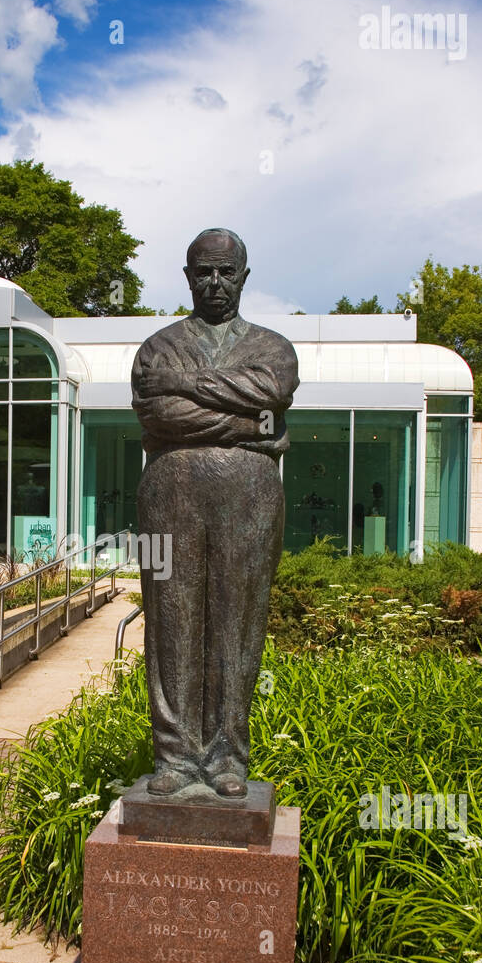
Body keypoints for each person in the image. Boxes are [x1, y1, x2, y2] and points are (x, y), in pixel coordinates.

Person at [131, 228, 299, 798]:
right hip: (168, 498)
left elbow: (271, 389)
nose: (215, 283)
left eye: (227, 273)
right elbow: (161, 415)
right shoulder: (157, 347)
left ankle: (229, 755)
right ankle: (175, 758)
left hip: (250, 499)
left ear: (244, 277)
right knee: (171, 623)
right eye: (204, 271)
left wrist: (186, 387)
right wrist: (249, 427)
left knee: (238, 622)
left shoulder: (273, 346)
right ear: (187, 276)